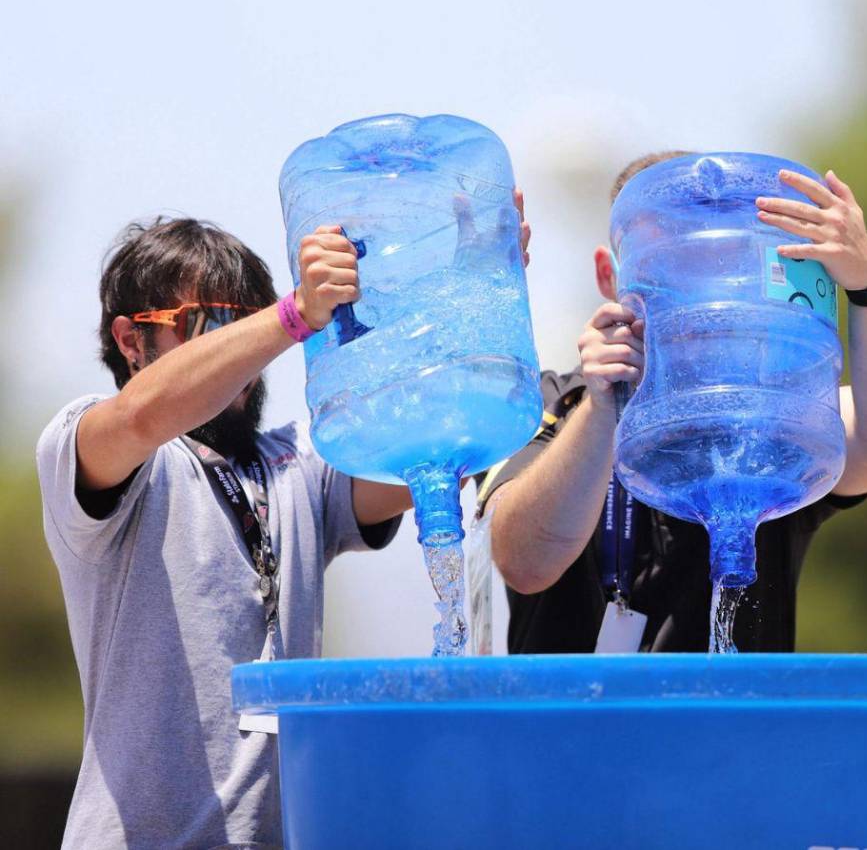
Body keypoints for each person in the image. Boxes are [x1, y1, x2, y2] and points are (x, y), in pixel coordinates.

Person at [36, 201, 528, 849]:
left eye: (248, 322)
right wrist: (291, 315)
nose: (246, 354)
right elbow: (139, 419)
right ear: (132, 341)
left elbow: (438, 438)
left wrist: (477, 290)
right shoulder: (92, 447)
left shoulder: (296, 468)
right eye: (209, 324)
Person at [480, 153, 867, 654]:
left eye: (722, 265)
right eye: (668, 268)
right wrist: (604, 409)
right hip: (573, 729)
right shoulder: (551, 406)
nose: (698, 296)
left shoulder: (769, 415)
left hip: (733, 731)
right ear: (611, 275)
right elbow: (525, 562)